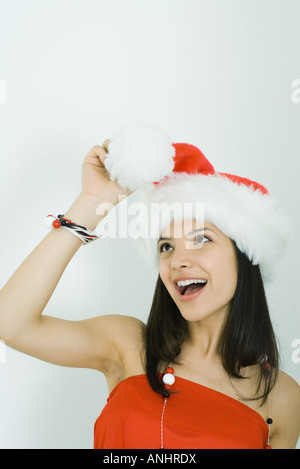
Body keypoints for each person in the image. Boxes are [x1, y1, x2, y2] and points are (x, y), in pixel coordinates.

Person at [0, 123, 299, 449]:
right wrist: (92, 201)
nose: (178, 260)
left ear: (244, 254)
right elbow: (11, 323)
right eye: (166, 246)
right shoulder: (128, 345)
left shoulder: (281, 397)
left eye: (201, 239)